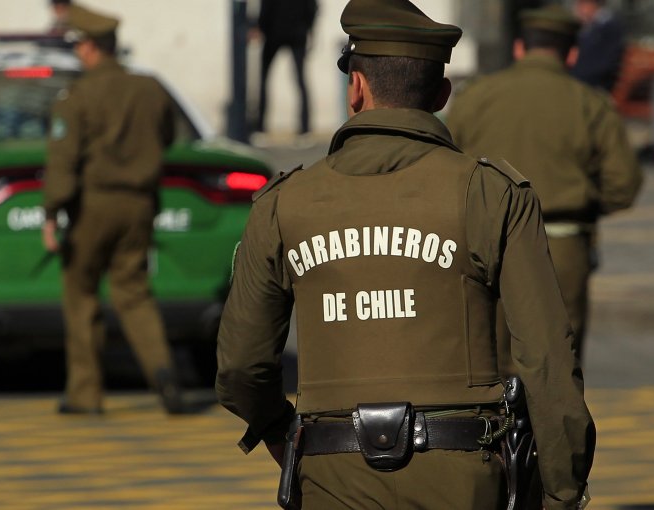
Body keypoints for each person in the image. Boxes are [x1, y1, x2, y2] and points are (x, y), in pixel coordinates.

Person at [216, 0, 595, 507]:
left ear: (356, 87)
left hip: (333, 474)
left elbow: (240, 367)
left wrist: (285, 436)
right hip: (465, 475)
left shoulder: (283, 204)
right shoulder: (491, 193)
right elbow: (547, 360)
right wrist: (562, 491)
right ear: (441, 93)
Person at [448, 5, 643, 360]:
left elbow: (445, 168)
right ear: (572, 53)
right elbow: (623, 184)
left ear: (519, 48)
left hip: (487, 246)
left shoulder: (474, 97)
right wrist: (583, 202)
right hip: (562, 246)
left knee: (489, 367)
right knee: (556, 368)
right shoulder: (590, 104)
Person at [42, 4, 184, 415]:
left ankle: (85, 394)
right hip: (140, 204)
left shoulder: (78, 96)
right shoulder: (149, 88)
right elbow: (168, 136)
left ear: (88, 48)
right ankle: (163, 374)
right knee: (134, 292)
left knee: (82, 293)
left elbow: (63, 162)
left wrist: (52, 213)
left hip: (93, 205)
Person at [253, 0, 318, 137]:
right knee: (300, 80)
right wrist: (309, 29)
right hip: (296, 34)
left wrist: (260, 26)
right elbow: (312, 7)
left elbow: (266, 7)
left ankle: (261, 127)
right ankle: (305, 129)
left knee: (265, 80)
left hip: (274, 32)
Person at [570, 0, 625, 92]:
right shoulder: (588, 26)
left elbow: (605, 64)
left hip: (595, 84)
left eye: (581, 4)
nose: (578, 10)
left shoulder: (608, 28)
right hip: (582, 81)